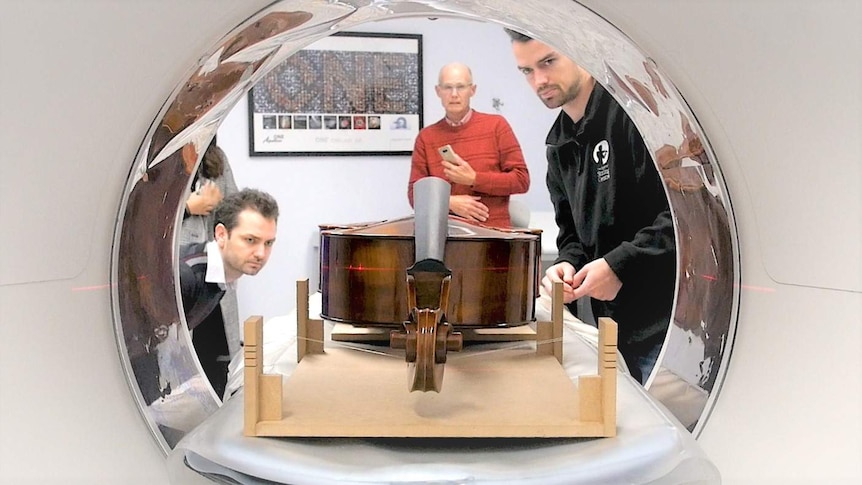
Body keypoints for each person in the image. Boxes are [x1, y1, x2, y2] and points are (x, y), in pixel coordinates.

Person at [507, 30, 676, 384]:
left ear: (580, 50)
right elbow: (573, 235)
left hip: (665, 322)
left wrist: (619, 266)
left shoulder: (632, 115)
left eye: (548, 62)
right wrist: (567, 265)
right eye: (526, 71)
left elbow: (682, 219)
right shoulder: (558, 144)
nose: (540, 80)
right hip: (611, 325)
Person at [179, 188, 279, 399]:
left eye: (268, 243)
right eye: (250, 240)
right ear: (221, 235)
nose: (261, 254)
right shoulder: (185, 275)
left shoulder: (223, 276)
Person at [407, 62, 530, 228]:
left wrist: (474, 178)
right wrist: (448, 202)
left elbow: (521, 181)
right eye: (448, 87)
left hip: (493, 235)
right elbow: (415, 195)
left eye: (461, 87)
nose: (454, 94)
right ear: (438, 91)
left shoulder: (496, 126)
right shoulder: (426, 137)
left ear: (472, 90)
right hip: (447, 236)